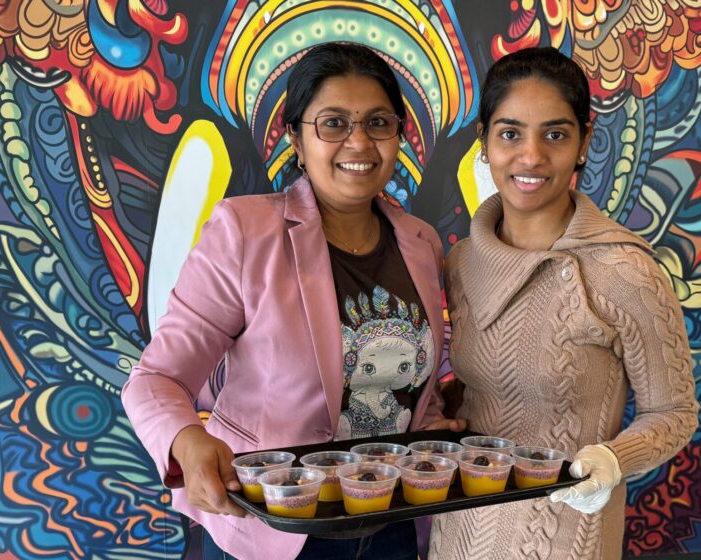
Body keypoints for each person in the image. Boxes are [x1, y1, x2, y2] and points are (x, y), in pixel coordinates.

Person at [121, 42, 464, 560]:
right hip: (275, 526)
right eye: (332, 123)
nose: (359, 142)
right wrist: (187, 442)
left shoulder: (420, 242)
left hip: (391, 522)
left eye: (378, 123)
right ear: (297, 140)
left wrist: (431, 422)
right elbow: (156, 381)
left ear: (398, 136)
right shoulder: (245, 231)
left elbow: (405, 384)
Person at [429, 47, 700, 559]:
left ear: (584, 143)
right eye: (510, 133)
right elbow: (481, 386)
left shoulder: (623, 271)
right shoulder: (462, 262)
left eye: (555, 134)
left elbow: (675, 412)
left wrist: (613, 458)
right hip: (460, 528)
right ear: (484, 142)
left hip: (562, 537)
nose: (531, 156)